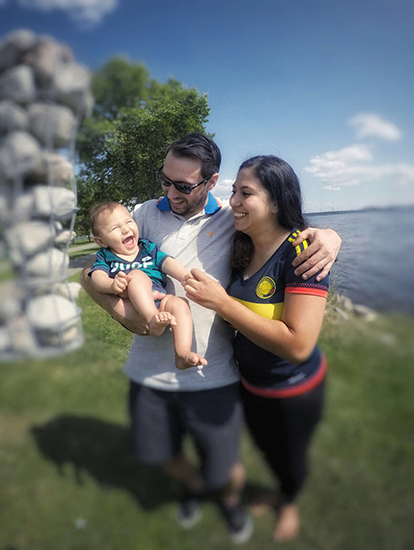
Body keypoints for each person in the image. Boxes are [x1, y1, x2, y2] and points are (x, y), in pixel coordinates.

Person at [80, 133, 341, 543]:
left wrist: (329, 235)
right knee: (160, 453)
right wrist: (130, 318)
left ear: (210, 180)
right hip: (150, 371)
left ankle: (229, 502)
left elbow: (283, 233)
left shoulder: (233, 221)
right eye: (164, 180)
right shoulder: (143, 214)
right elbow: (94, 270)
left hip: (214, 373)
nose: (170, 191)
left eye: (183, 185)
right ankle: (194, 488)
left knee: (226, 465)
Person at [184, 155, 330, 541]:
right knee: (267, 449)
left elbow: (298, 345)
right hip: (250, 386)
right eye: (233, 191)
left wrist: (223, 304)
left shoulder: (302, 252)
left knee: (292, 456)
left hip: (293, 391)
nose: (232, 201)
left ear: (278, 201)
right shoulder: (241, 244)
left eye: (245, 193)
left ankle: (290, 501)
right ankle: (282, 490)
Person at [88, 201, 207, 370]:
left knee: (180, 304)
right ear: (101, 241)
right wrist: (111, 285)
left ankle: (182, 353)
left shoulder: (146, 248)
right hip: (137, 305)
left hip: (160, 299)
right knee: (136, 276)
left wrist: (184, 277)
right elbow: (96, 277)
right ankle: (153, 319)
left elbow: (166, 262)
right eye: (115, 228)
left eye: (129, 222)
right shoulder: (106, 256)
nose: (125, 229)